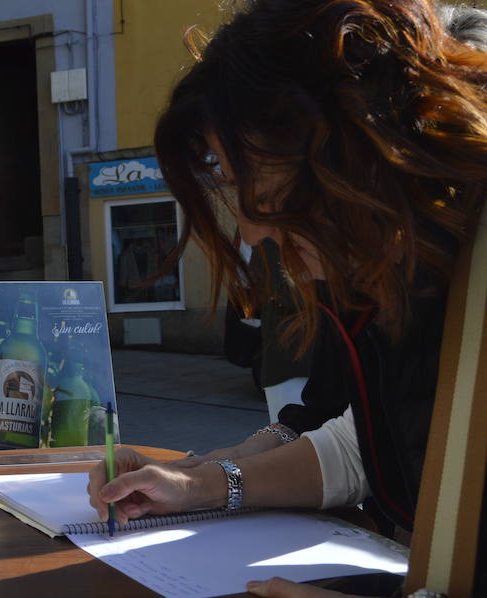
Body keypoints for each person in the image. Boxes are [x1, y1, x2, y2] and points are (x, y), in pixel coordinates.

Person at [88, 1, 487, 596]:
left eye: (247, 179)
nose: (247, 231)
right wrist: (198, 483)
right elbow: (362, 444)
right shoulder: (391, 281)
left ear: (352, 149)